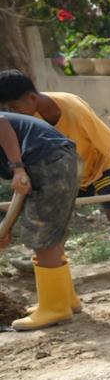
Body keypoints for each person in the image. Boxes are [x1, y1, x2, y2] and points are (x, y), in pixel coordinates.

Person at [0, 71, 110, 287]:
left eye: (14, 108)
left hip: (99, 167)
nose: (13, 113)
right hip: (68, 172)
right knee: (56, 216)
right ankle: (47, 259)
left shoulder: (74, 110)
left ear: (31, 98)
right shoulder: (29, 117)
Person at [0, 113, 80, 330]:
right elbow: (21, 190)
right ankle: (66, 300)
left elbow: (1, 123)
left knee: (43, 235)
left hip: (46, 160)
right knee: (50, 230)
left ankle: (55, 308)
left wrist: (17, 167)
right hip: (53, 159)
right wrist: (7, 228)